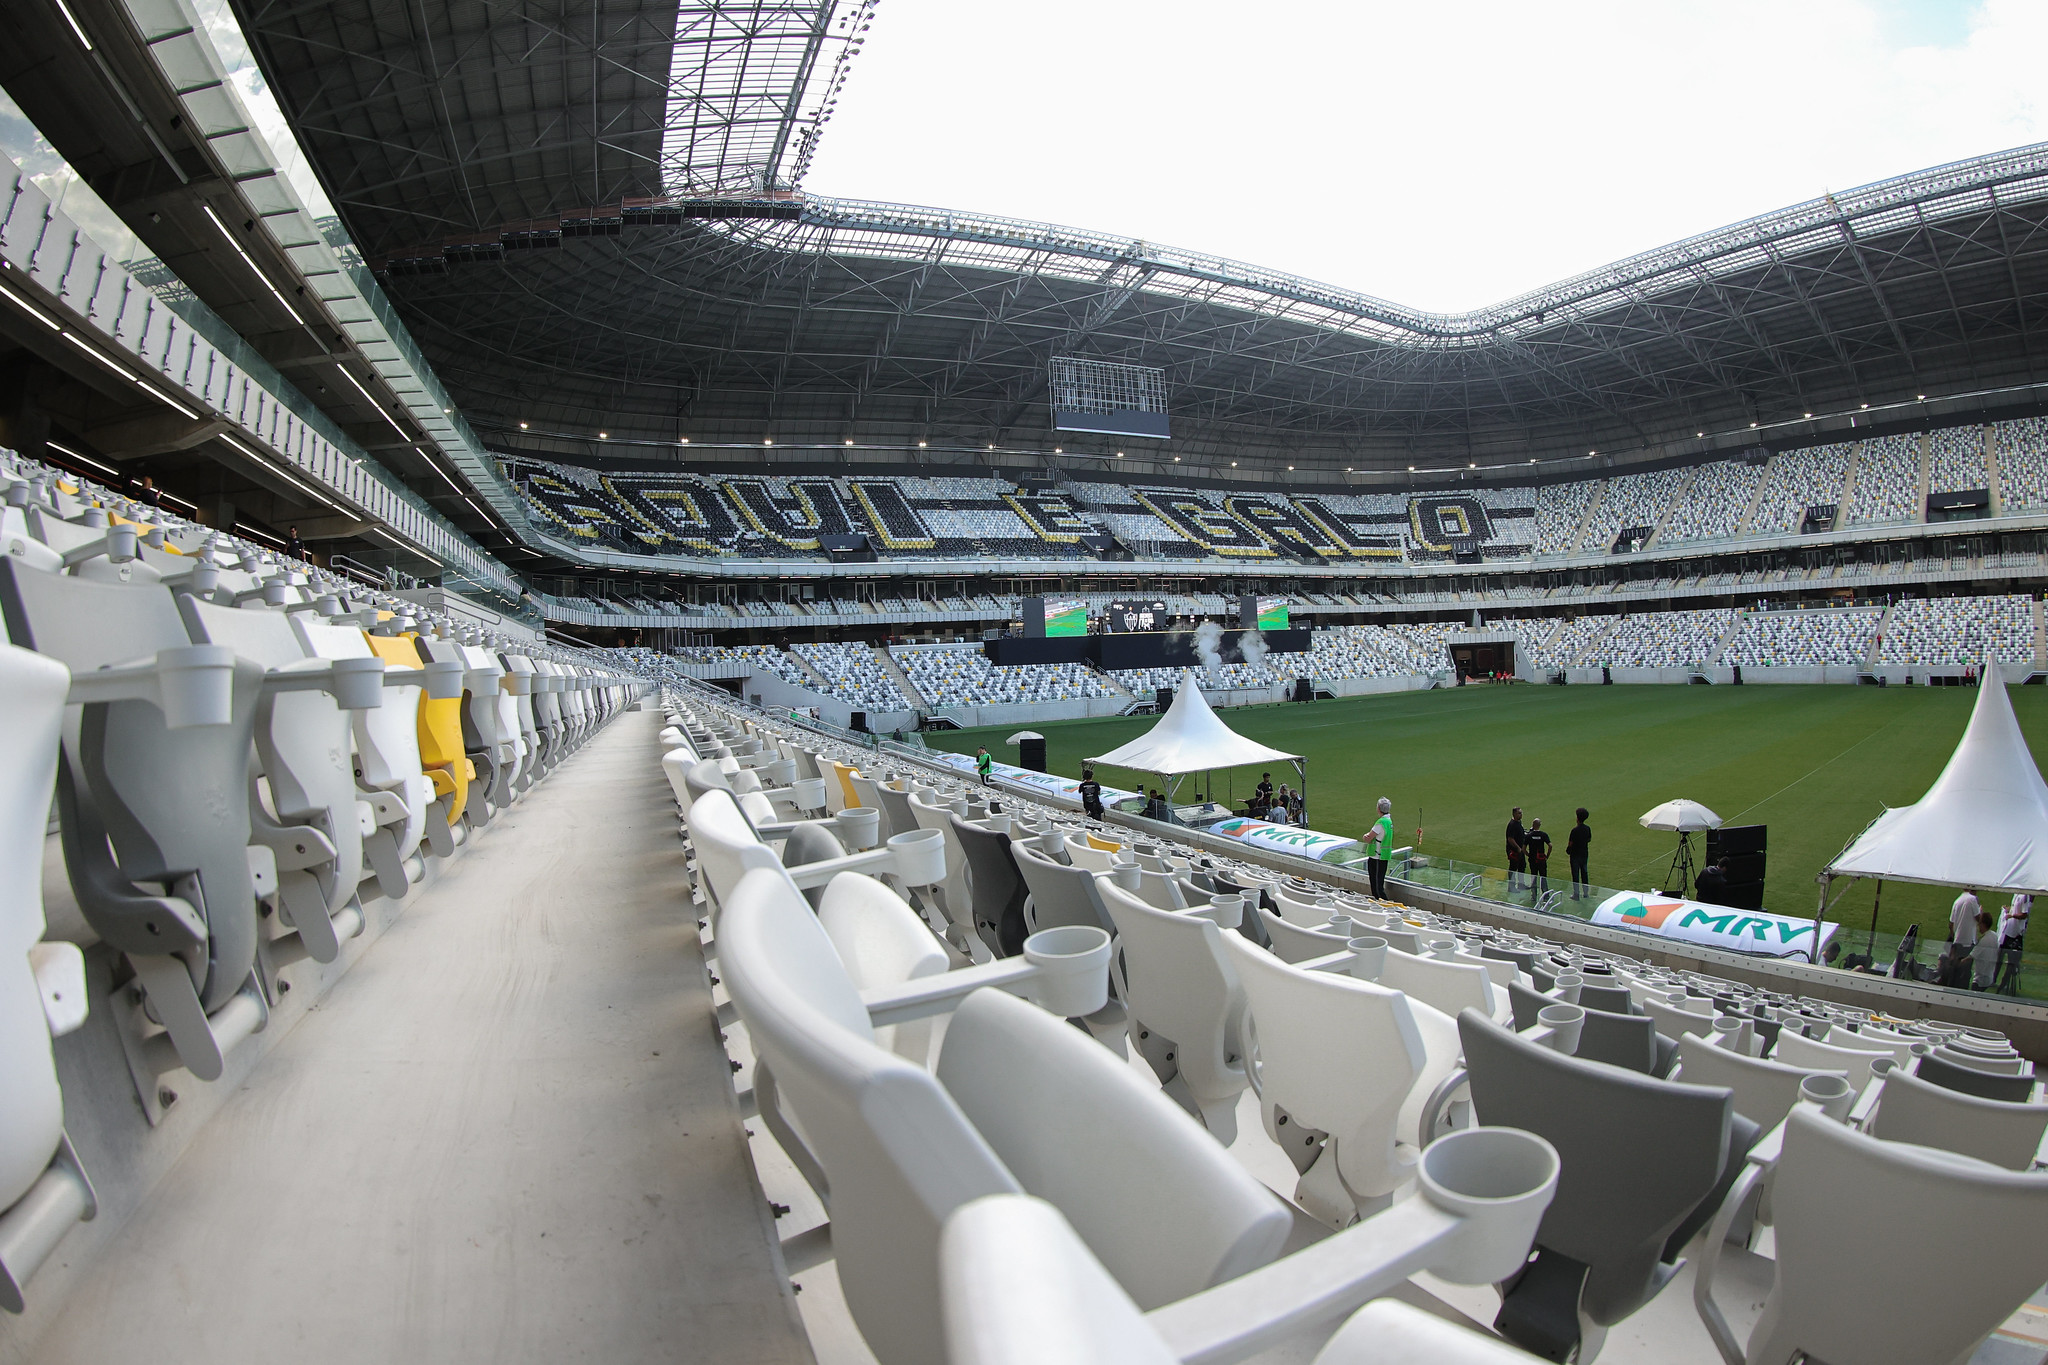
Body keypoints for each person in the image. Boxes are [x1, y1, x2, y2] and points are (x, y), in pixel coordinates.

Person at [1366, 797, 1393, 900]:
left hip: (1376, 856)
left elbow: (1369, 838)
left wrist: (1365, 837)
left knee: (1376, 886)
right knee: (1379, 883)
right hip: (1383, 855)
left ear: (1378, 808)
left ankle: (1383, 903)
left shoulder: (1380, 822)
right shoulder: (1388, 821)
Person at [1972, 910, 2002, 989]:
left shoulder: (1983, 940)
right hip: (1989, 977)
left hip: (1980, 979)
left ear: (1983, 924)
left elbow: (1971, 957)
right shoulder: (1995, 936)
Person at [1566, 808, 1591, 900]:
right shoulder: (1587, 828)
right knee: (1584, 873)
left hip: (1575, 854)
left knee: (1575, 874)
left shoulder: (1574, 830)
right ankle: (1586, 893)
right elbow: (1589, 839)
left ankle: (1576, 894)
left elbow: (1571, 843)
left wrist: (1568, 849)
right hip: (1584, 853)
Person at [1524, 818, 1552, 898]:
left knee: (1533, 876)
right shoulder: (1543, 835)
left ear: (1533, 825)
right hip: (1541, 859)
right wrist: (1547, 855)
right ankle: (1546, 895)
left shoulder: (1529, 835)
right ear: (1540, 825)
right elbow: (1550, 845)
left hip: (1532, 859)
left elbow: (1523, 848)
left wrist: (1528, 854)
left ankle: (1534, 895)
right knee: (1543, 877)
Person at [1504, 807, 1526, 890]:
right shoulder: (1512, 824)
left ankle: (1521, 884)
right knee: (1513, 868)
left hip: (1520, 849)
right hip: (1514, 850)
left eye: (1521, 813)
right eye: (1519, 813)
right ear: (1514, 814)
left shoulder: (1518, 823)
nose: (1521, 815)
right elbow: (1510, 838)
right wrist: (1518, 848)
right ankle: (1511, 886)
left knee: (1522, 866)